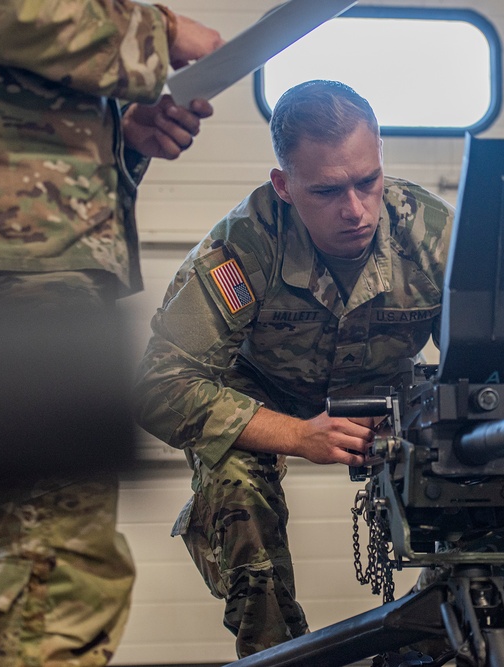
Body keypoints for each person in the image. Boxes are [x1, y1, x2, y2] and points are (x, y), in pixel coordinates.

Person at [0, 1, 224, 664]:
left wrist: (122, 138)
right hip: (19, 247)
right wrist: (157, 32)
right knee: (60, 546)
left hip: (3, 241)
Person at [133, 79, 455, 658]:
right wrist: (296, 436)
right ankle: (277, 654)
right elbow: (159, 386)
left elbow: (491, 355)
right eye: (327, 191)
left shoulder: (433, 234)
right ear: (284, 186)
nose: (354, 210)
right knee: (236, 491)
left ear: (381, 157)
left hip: (390, 399)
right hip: (266, 397)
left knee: (494, 456)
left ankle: (429, 642)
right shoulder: (244, 247)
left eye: (367, 182)